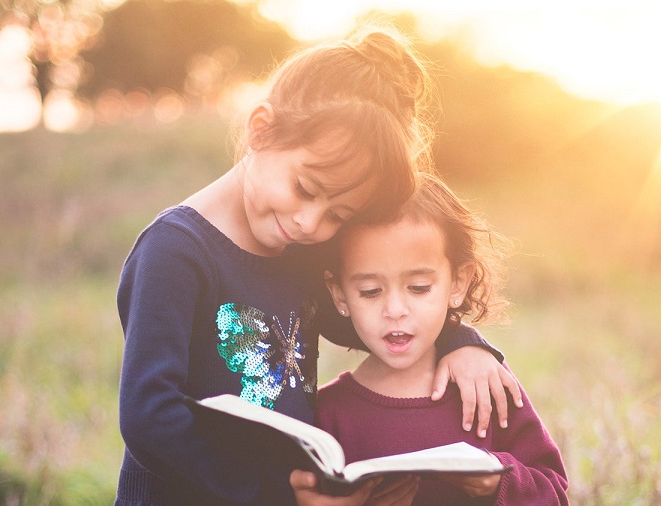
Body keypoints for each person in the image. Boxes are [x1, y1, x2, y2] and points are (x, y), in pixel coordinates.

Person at [115, 26, 521, 506]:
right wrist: (275, 495)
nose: (310, 222)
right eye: (306, 189)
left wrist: (462, 342)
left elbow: (372, 323)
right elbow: (148, 416)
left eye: (339, 215)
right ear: (260, 128)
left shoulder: (299, 252)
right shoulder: (175, 252)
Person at [318, 172, 569, 505]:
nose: (395, 309)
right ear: (339, 295)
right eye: (370, 291)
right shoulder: (328, 413)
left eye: (419, 288)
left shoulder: (485, 383)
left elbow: (553, 492)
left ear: (458, 284)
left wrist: (497, 479)